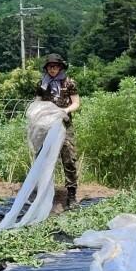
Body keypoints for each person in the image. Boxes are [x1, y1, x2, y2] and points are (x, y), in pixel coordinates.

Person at [35, 53, 81, 208]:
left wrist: (66, 110)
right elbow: (38, 102)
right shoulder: (42, 83)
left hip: (64, 124)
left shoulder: (69, 82)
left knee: (69, 158)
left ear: (60, 67)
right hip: (47, 125)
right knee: (43, 157)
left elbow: (76, 103)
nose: (52, 69)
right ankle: (44, 191)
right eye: (50, 66)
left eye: (55, 66)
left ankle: (72, 194)